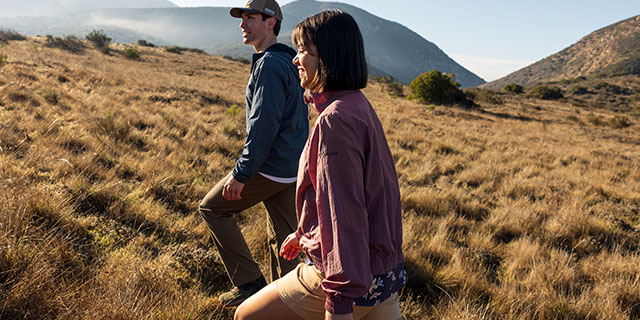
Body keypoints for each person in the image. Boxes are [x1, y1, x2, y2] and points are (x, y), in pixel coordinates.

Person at [234, 10, 405, 320]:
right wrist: (303, 233)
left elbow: (344, 214)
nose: (295, 60)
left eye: (303, 51)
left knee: (246, 316)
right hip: (386, 277)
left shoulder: (334, 122)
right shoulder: (358, 105)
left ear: (327, 59)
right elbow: (370, 193)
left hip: (348, 280)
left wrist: (339, 302)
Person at [198, 0, 308, 307]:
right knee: (285, 241)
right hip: (292, 167)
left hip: (270, 166)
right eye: (242, 18)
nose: (243, 24)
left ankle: (248, 283)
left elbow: (264, 125)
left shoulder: (270, 65)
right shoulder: (287, 60)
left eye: (251, 18)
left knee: (213, 210)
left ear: (270, 23)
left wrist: (242, 173)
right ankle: (287, 304)